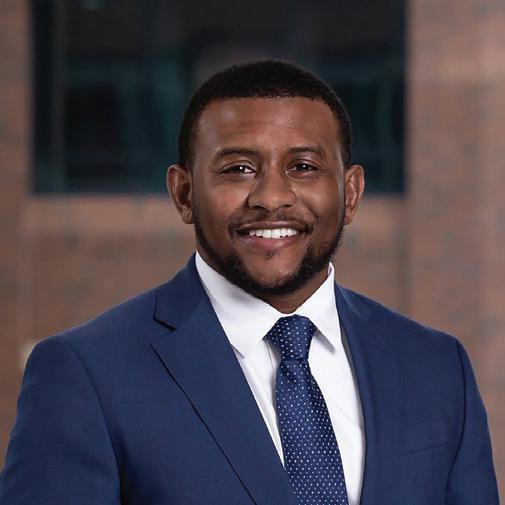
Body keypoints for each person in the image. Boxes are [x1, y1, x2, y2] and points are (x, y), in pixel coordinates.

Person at [0, 60, 499, 505]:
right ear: (184, 193)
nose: (271, 197)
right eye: (239, 169)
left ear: (350, 193)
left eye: (303, 167)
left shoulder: (436, 367)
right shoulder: (86, 374)